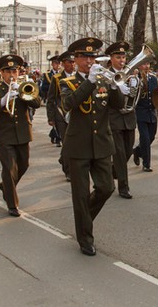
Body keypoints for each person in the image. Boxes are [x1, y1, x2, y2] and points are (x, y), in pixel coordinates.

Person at [59, 37, 116, 256]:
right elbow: (68, 103)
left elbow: (119, 106)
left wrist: (115, 86)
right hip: (78, 146)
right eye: (85, 57)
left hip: (101, 143)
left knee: (106, 188)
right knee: (80, 195)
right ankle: (85, 238)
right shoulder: (67, 82)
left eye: (93, 56)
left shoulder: (102, 80)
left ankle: (84, 220)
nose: (90, 61)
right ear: (75, 59)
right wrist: (89, 82)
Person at [0, 54, 42, 217]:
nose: (12, 75)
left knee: (23, 165)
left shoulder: (25, 86)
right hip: (4, 135)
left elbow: (37, 103)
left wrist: (23, 93)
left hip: (23, 133)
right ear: (1, 73)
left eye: (15, 71)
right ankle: (12, 204)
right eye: (8, 72)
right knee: (10, 168)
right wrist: (4, 100)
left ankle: (6, 186)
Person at [104, 41, 138, 199]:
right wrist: (117, 88)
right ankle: (123, 187)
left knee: (128, 151)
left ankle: (113, 170)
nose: (122, 60)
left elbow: (136, 95)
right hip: (114, 119)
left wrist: (135, 86)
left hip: (129, 118)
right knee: (119, 154)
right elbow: (109, 100)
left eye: (123, 57)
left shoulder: (129, 73)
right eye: (118, 57)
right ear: (111, 58)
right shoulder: (106, 75)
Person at [47, 51, 75, 180]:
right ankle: (68, 171)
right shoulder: (57, 78)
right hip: (61, 114)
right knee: (66, 141)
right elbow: (51, 99)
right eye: (69, 62)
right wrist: (51, 117)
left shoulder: (77, 76)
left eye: (73, 61)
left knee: (73, 142)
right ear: (63, 64)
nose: (72, 64)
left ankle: (63, 159)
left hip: (74, 114)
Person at [132, 61, 158, 173]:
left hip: (152, 112)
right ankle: (146, 164)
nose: (147, 66)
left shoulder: (153, 78)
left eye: (148, 64)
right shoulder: (135, 79)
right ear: (139, 65)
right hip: (140, 112)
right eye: (144, 64)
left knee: (151, 137)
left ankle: (137, 151)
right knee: (145, 138)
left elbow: (157, 94)